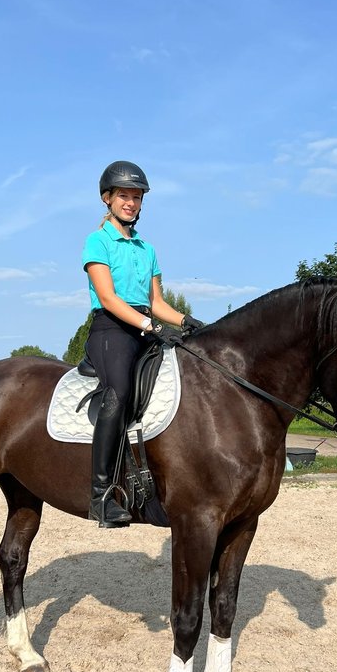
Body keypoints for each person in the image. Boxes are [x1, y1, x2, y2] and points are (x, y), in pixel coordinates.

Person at [81, 160, 205, 527]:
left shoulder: (146, 249)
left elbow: (157, 302)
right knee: (118, 393)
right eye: (124, 196)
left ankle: (151, 487)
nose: (131, 203)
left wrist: (187, 322)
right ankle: (100, 496)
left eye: (136, 197)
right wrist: (149, 327)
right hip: (111, 330)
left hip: (143, 325)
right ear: (108, 199)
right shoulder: (98, 241)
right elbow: (108, 298)